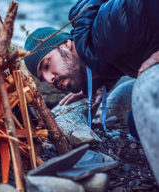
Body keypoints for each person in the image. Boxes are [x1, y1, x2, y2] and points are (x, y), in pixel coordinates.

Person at [23, 0, 159, 135]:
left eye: (47, 65)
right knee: (136, 124)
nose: (49, 79)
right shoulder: (102, 44)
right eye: (42, 78)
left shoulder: (108, 28)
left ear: (66, 44)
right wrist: (99, 80)